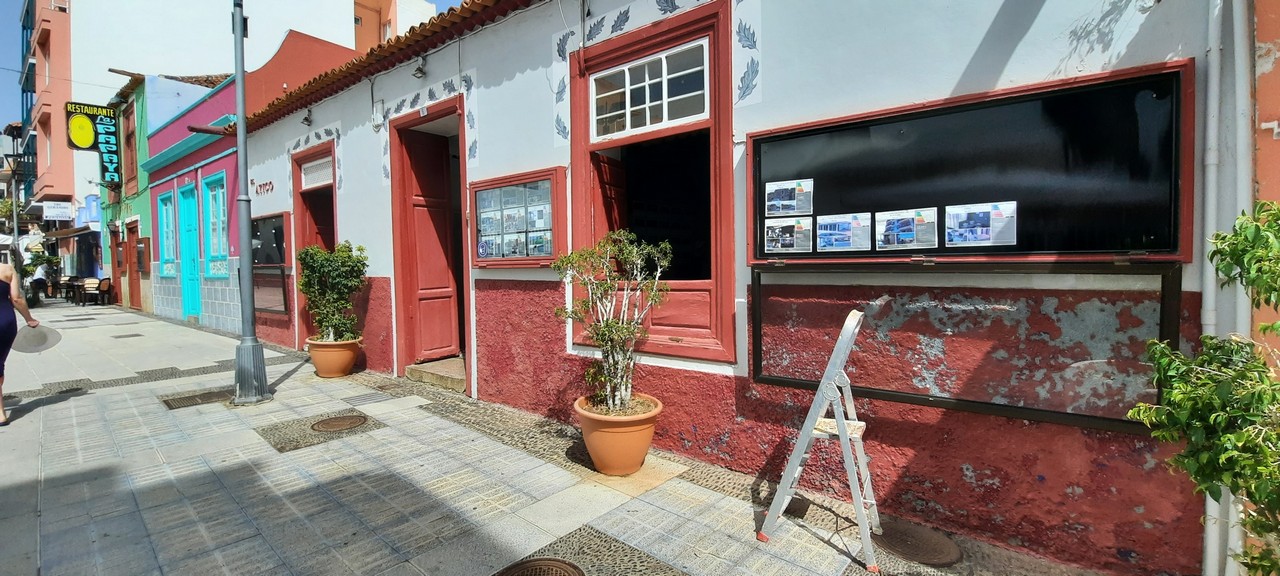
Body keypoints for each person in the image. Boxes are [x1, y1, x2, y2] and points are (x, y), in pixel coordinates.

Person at [0, 259, 39, 426]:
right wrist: (29, 319)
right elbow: (16, 299)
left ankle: (0, 412)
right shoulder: (7, 269)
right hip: (5, 321)